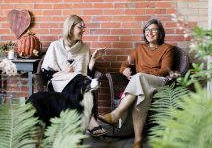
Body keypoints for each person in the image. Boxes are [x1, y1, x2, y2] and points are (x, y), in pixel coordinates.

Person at [98, 19, 174, 148]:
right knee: (140, 94)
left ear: (160, 33)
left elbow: (165, 70)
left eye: (154, 30)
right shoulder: (139, 49)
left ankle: (116, 114)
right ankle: (138, 141)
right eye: (147, 30)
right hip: (141, 83)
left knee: (139, 77)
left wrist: (142, 72)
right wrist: (125, 70)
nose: (150, 33)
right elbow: (124, 64)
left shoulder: (167, 49)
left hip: (159, 82)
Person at [41, 15, 107, 137]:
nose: (84, 30)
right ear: (70, 28)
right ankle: (90, 120)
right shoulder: (55, 46)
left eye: (84, 27)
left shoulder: (85, 48)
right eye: (80, 27)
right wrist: (65, 74)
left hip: (80, 87)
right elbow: (46, 71)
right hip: (58, 85)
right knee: (78, 78)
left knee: (81, 80)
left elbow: (89, 76)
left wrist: (92, 60)